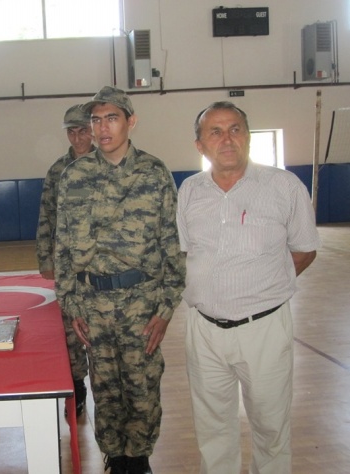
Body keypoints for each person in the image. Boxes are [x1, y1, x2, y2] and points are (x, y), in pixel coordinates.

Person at [176, 101, 320, 474]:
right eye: (215, 131)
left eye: (235, 129)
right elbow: (185, 253)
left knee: (271, 427)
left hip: (264, 329)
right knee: (212, 431)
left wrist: (262, 286)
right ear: (200, 145)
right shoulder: (189, 191)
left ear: (248, 137)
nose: (227, 139)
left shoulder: (284, 186)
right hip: (204, 330)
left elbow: (304, 250)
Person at [54, 86, 186, 474]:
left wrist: (166, 309)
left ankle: (139, 459)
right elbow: (62, 246)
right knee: (105, 388)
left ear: (131, 121)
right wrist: (71, 304)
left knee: (142, 386)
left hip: (141, 301)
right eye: (96, 120)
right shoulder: (74, 176)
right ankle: (114, 457)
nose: (102, 128)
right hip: (93, 302)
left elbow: (172, 244)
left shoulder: (154, 173)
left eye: (111, 118)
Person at [36, 104, 95, 417]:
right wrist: (45, 258)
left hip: (101, 264)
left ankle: (104, 385)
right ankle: (76, 385)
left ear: (93, 130)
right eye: (71, 132)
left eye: (83, 130)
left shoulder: (107, 164)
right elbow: (46, 215)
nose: (78, 137)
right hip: (67, 262)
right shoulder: (58, 170)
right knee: (70, 328)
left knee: (100, 326)